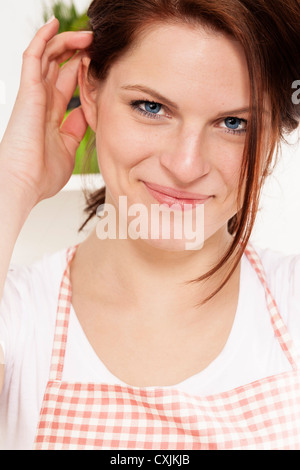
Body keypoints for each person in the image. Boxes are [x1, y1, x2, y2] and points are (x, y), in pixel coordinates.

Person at [0, 0, 300, 451]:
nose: (185, 165)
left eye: (233, 123)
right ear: (91, 91)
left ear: (275, 131)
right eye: (151, 107)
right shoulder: (19, 319)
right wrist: (13, 181)